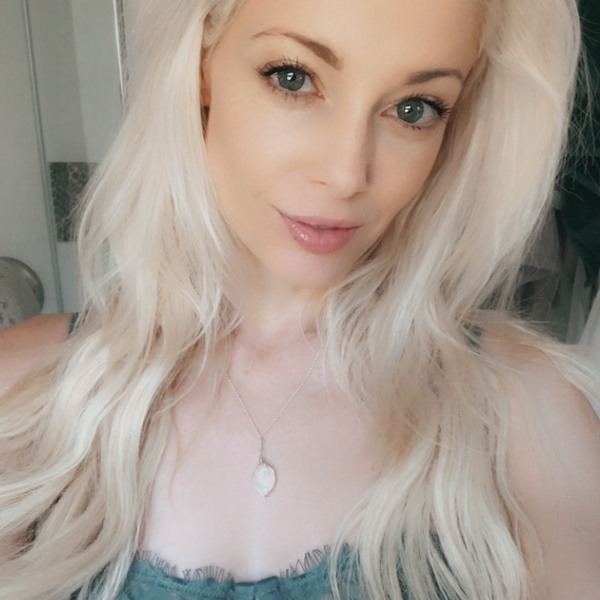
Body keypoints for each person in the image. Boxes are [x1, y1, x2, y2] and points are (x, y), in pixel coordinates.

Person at [1, 0, 599, 598]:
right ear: (201, 67)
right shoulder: (23, 390)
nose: (346, 174)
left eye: (414, 109)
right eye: (293, 77)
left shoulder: (527, 413)